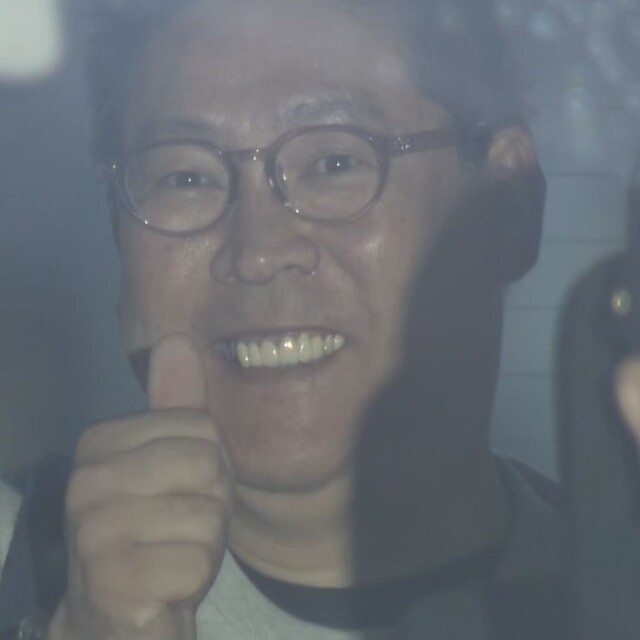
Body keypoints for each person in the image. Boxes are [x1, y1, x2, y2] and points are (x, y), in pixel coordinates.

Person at [1, 0, 639, 638]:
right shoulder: (16, 564)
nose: (257, 253)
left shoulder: (615, 593)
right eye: (186, 178)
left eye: (335, 163)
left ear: (508, 206)